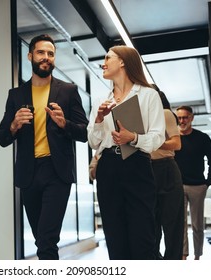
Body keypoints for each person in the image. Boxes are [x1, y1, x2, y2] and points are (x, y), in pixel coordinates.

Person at [0, 34, 88, 260]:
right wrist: (14, 125)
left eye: (50, 53)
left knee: (47, 240)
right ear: (30, 56)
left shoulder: (68, 91)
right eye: (41, 52)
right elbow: (2, 138)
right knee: (41, 240)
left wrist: (63, 123)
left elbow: (84, 133)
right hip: (29, 174)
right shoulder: (16, 95)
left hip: (57, 173)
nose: (46, 57)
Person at [87, 45, 165, 260]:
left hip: (137, 165)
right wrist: (99, 119)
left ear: (122, 62)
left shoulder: (148, 95)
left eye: (108, 58)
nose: (103, 63)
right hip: (108, 168)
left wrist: (134, 138)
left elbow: (158, 137)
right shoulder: (100, 102)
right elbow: (94, 142)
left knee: (143, 235)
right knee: (114, 234)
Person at [174, 105, 211, 260]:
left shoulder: (202, 138)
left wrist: (208, 183)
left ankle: (197, 256)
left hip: (198, 186)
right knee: (181, 225)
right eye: (179, 118)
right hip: (178, 187)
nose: (182, 121)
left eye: (185, 117)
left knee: (197, 225)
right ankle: (183, 255)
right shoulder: (173, 139)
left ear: (192, 118)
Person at [151, 89, 184, 260]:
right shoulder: (139, 117)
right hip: (146, 171)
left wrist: (154, 142)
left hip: (166, 170)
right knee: (150, 227)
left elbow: (176, 144)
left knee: (173, 226)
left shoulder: (165, 114)